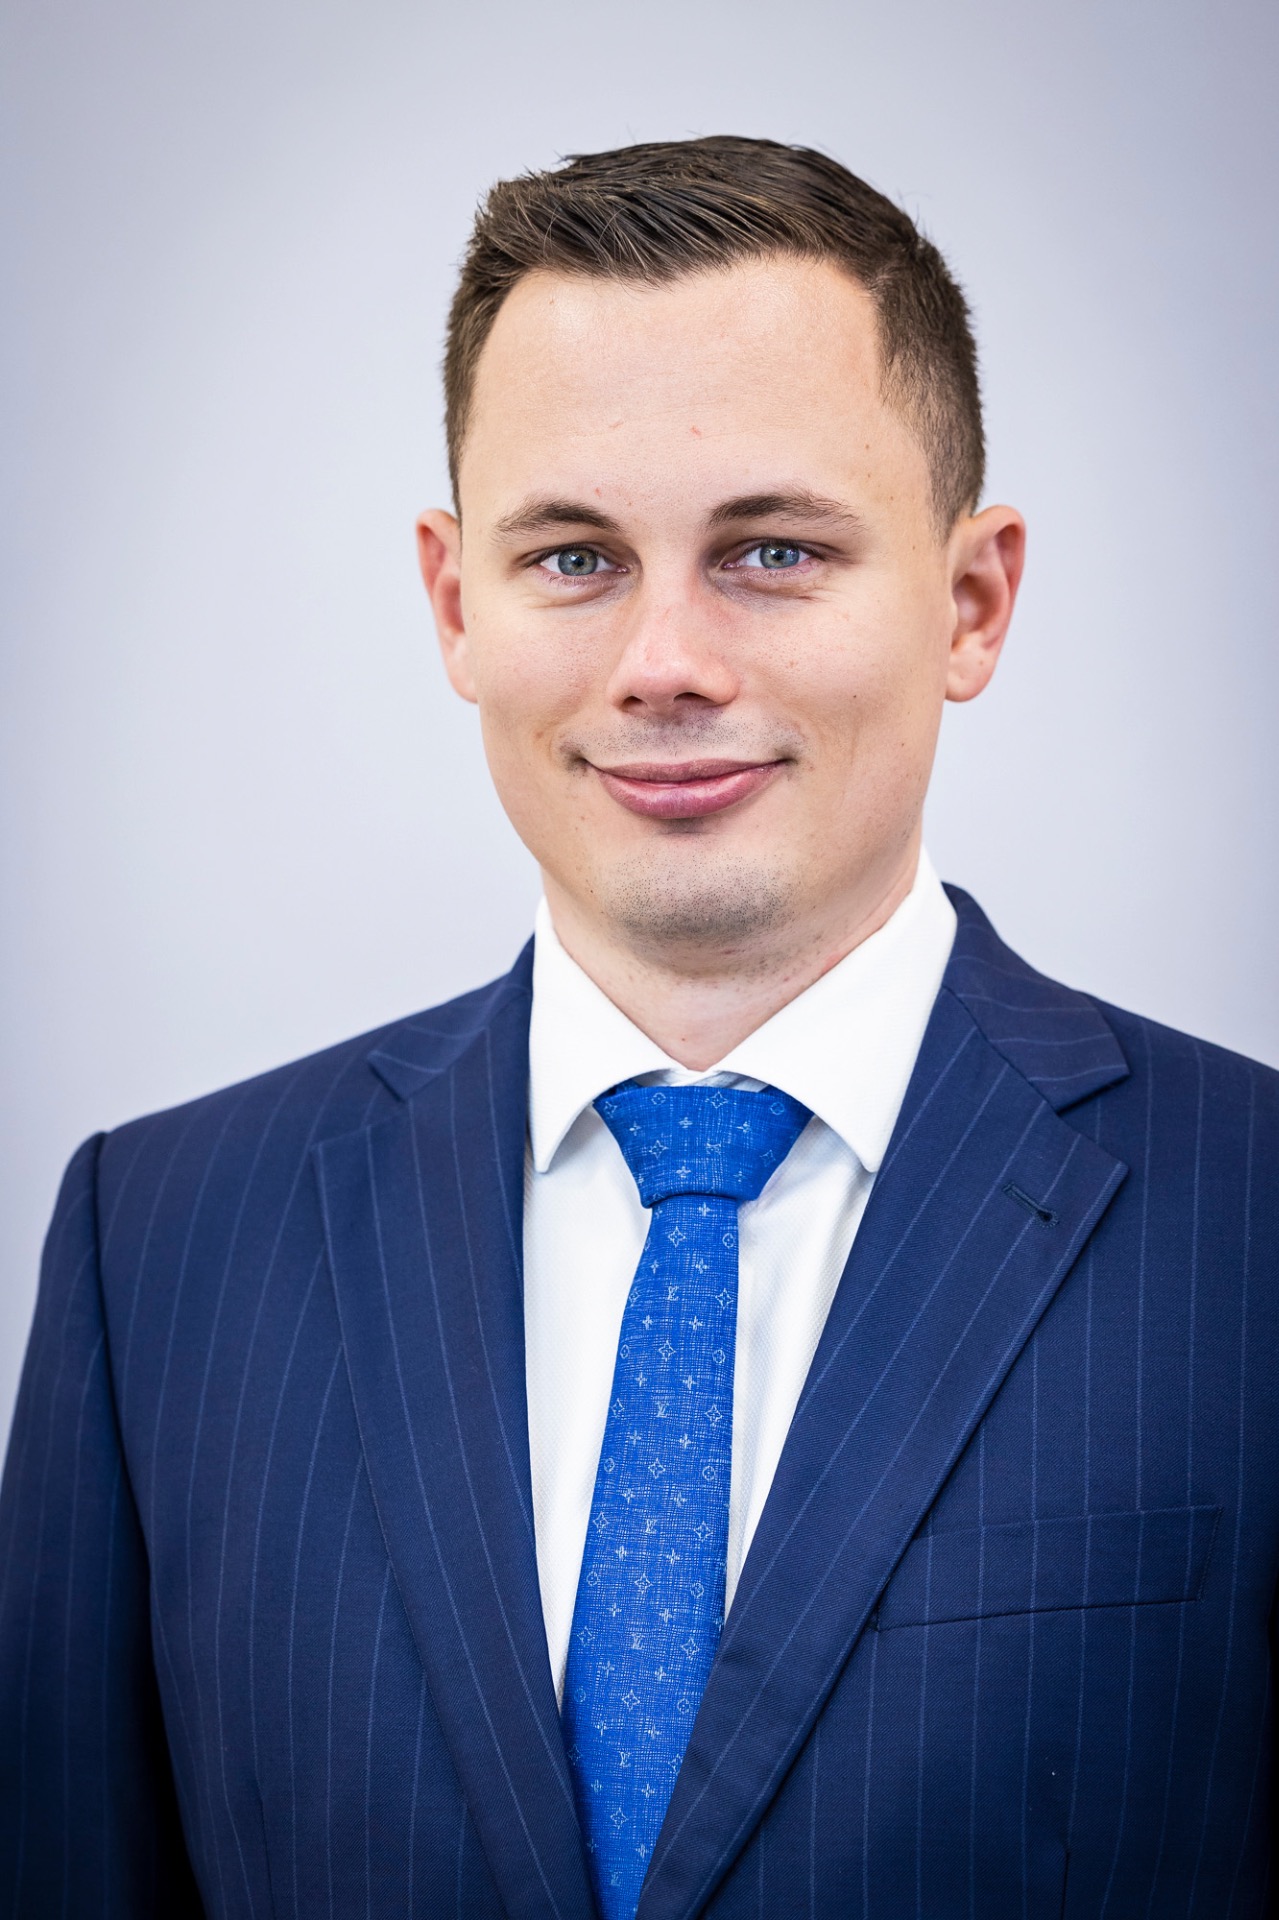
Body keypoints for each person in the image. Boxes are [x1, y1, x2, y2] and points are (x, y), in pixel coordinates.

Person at [1, 135, 1275, 1920]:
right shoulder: (158, 1251)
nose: (664, 660)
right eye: (576, 556)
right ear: (457, 602)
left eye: (771, 548)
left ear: (973, 602)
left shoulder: (1254, 1222)